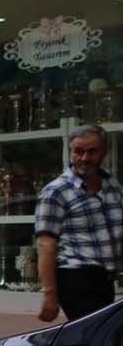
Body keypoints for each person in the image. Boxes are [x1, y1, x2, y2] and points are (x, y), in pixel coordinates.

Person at [35, 124, 123, 323]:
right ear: (70, 151)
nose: (84, 158)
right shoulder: (56, 191)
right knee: (93, 336)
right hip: (76, 278)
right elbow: (45, 244)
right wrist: (50, 294)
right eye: (78, 151)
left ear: (105, 151)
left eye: (92, 151)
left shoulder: (112, 185)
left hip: (106, 277)